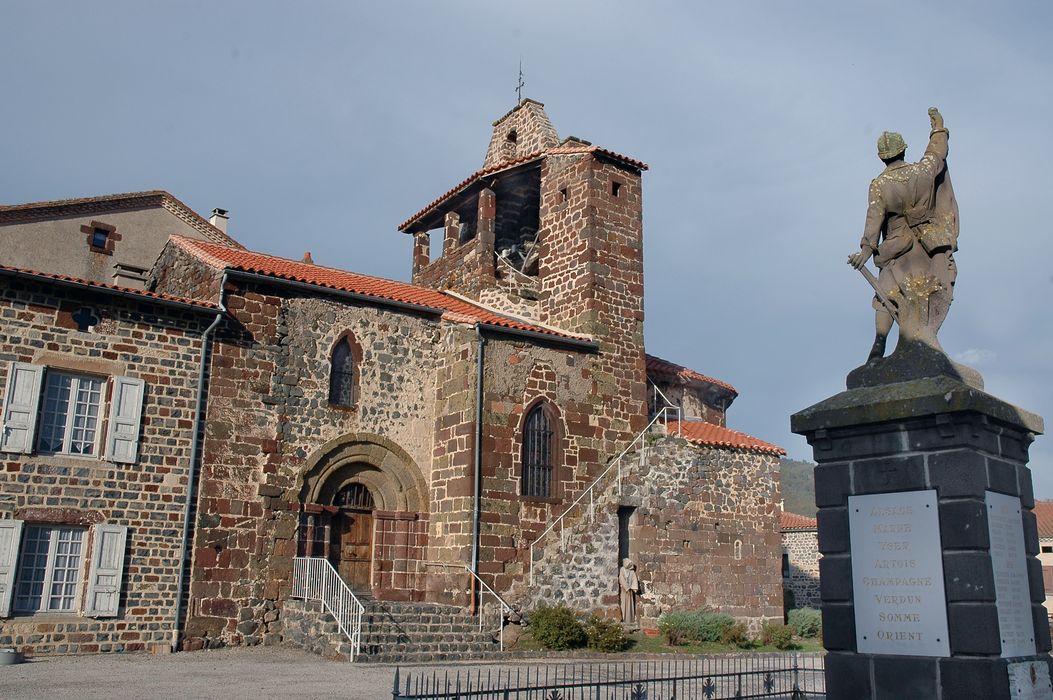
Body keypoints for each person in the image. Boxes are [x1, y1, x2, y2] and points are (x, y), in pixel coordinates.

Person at [848, 107, 959, 362]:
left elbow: (873, 219)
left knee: (886, 295)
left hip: (897, 250)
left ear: (881, 157)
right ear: (904, 150)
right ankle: (925, 336)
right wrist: (938, 129)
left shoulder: (879, 185)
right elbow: (936, 154)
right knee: (931, 288)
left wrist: (866, 250)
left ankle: (878, 346)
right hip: (929, 247)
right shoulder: (922, 171)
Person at [619, 558, 640, 625]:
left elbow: (634, 579)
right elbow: (621, 578)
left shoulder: (632, 572)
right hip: (624, 590)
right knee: (623, 604)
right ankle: (623, 618)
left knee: (629, 605)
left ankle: (629, 619)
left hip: (630, 591)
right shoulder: (622, 570)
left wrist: (634, 588)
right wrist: (626, 587)